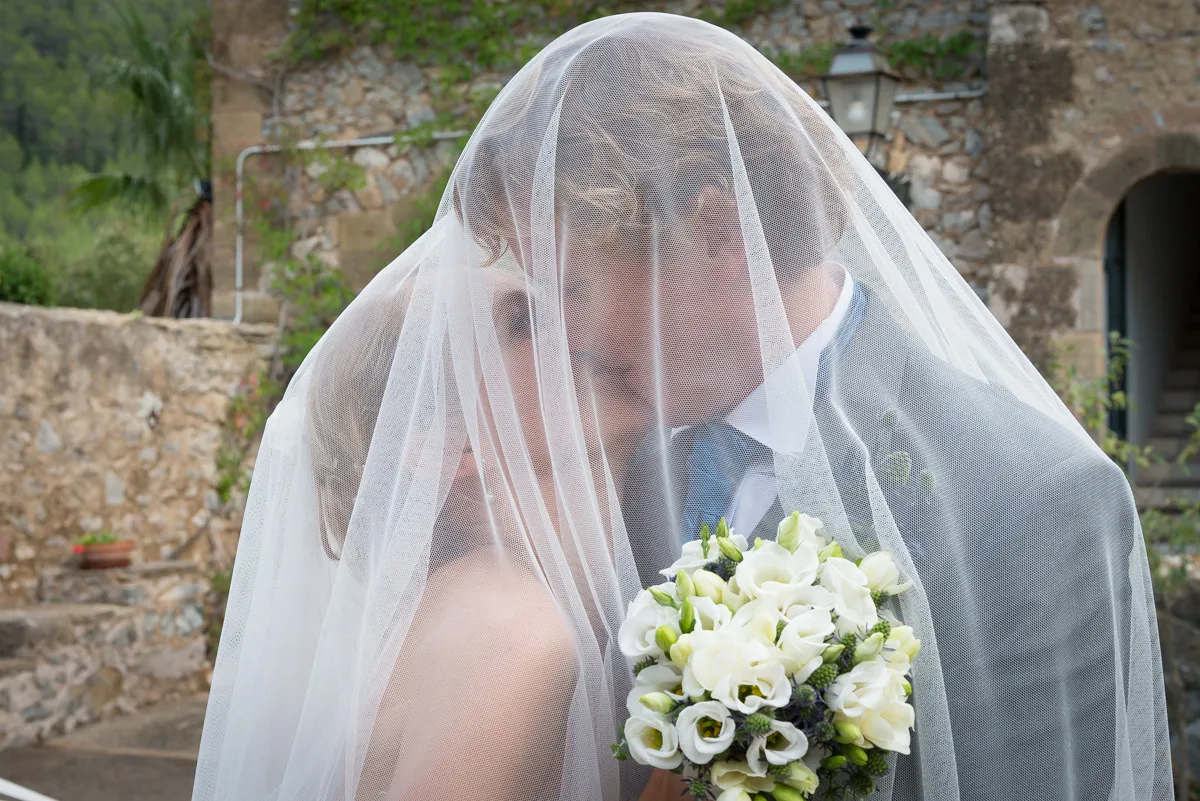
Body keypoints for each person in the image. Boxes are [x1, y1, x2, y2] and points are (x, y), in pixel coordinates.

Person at [193, 12, 1173, 801]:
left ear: (713, 229)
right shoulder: (592, 477)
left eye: (571, 289)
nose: (565, 336)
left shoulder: (1029, 496)